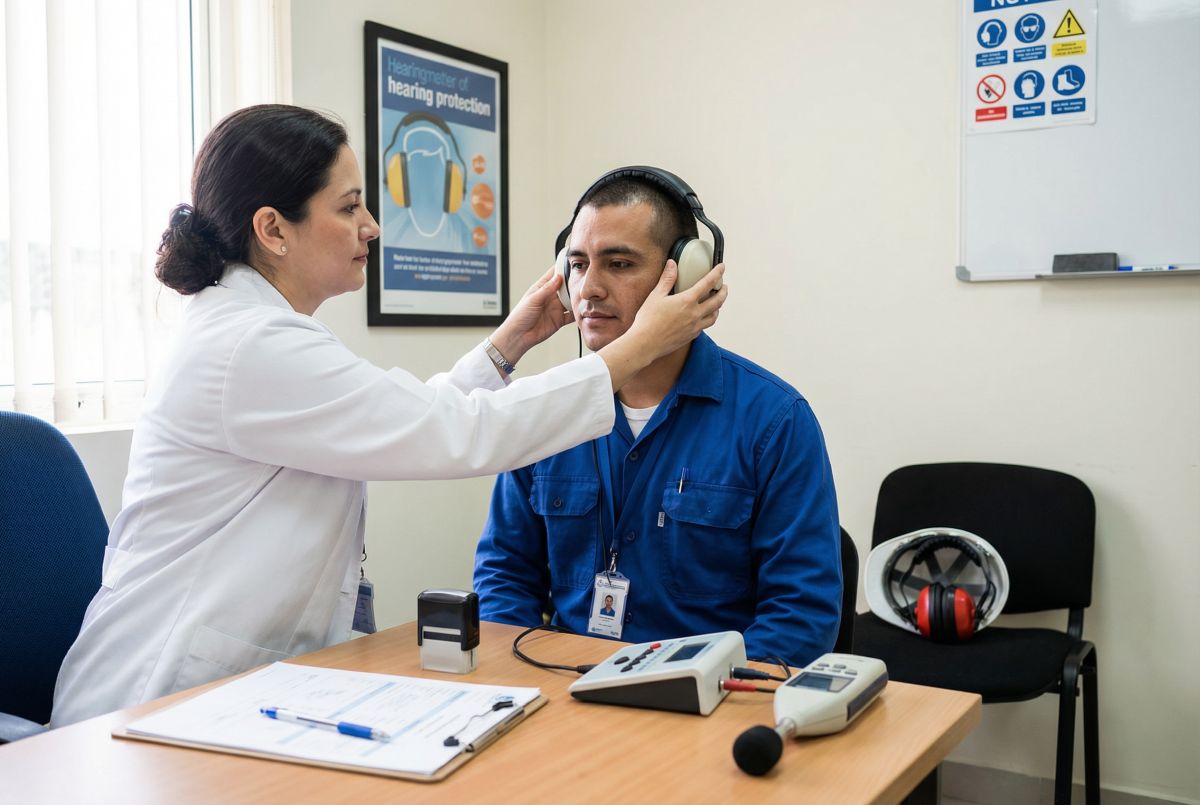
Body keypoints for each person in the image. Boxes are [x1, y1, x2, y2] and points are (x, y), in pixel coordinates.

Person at [50, 106, 726, 726]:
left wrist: (507, 344)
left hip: (238, 690)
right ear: (272, 229)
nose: (372, 225)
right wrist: (636, 348)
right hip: (153, 698)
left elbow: (414, 415)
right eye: (349, 207)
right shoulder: (250, 346)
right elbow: (451, 432)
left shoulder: (260, 335)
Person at [473, 170, 839, 666]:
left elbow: (800, 617)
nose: (589, 289)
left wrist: (695, 688)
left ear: (686, 276)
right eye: (578, 264)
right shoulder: (546, 410)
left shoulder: (775, 421)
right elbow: (504, 576)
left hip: (704, 705)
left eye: (619, 263)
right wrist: (525, 676)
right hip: (561, 692)